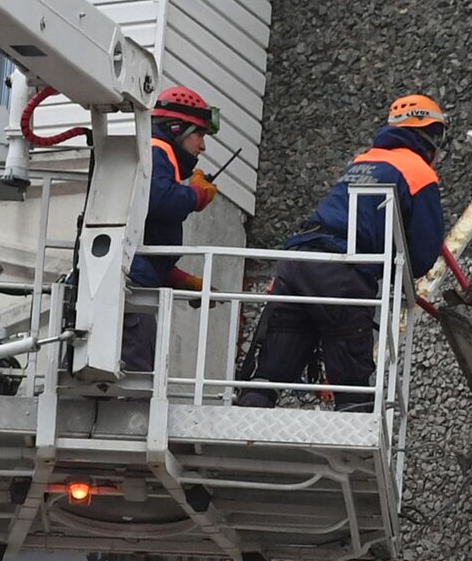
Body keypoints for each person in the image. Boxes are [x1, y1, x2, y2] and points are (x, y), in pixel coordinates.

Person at [237, 94, 448, 411]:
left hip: (297, 262)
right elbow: (420, 257)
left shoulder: (363, 162)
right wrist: (390, 265)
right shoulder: (419, 172)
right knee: (351, 374)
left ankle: (250, 415)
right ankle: (355, 428)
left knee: (274, 362)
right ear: (432, 134)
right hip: (340, 274)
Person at [121, 85, 220, 371]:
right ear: (177, 129)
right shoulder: (157, 148)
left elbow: (142, 236)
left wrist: (178, 278)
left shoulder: (151, 151)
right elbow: (159, 200)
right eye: (200, 134)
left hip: (129, 281)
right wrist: (197, 194)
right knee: (134, 376)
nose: (202, 147)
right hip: (129, 289)